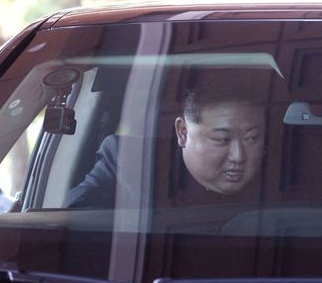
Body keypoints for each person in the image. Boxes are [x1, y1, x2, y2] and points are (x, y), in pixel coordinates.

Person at [64, 87, 266, 208]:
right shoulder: (129, 162)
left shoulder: (282, 176)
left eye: (252, 138)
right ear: (183, 132)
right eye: (222, 140)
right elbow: (77, 221)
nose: (239, 156)